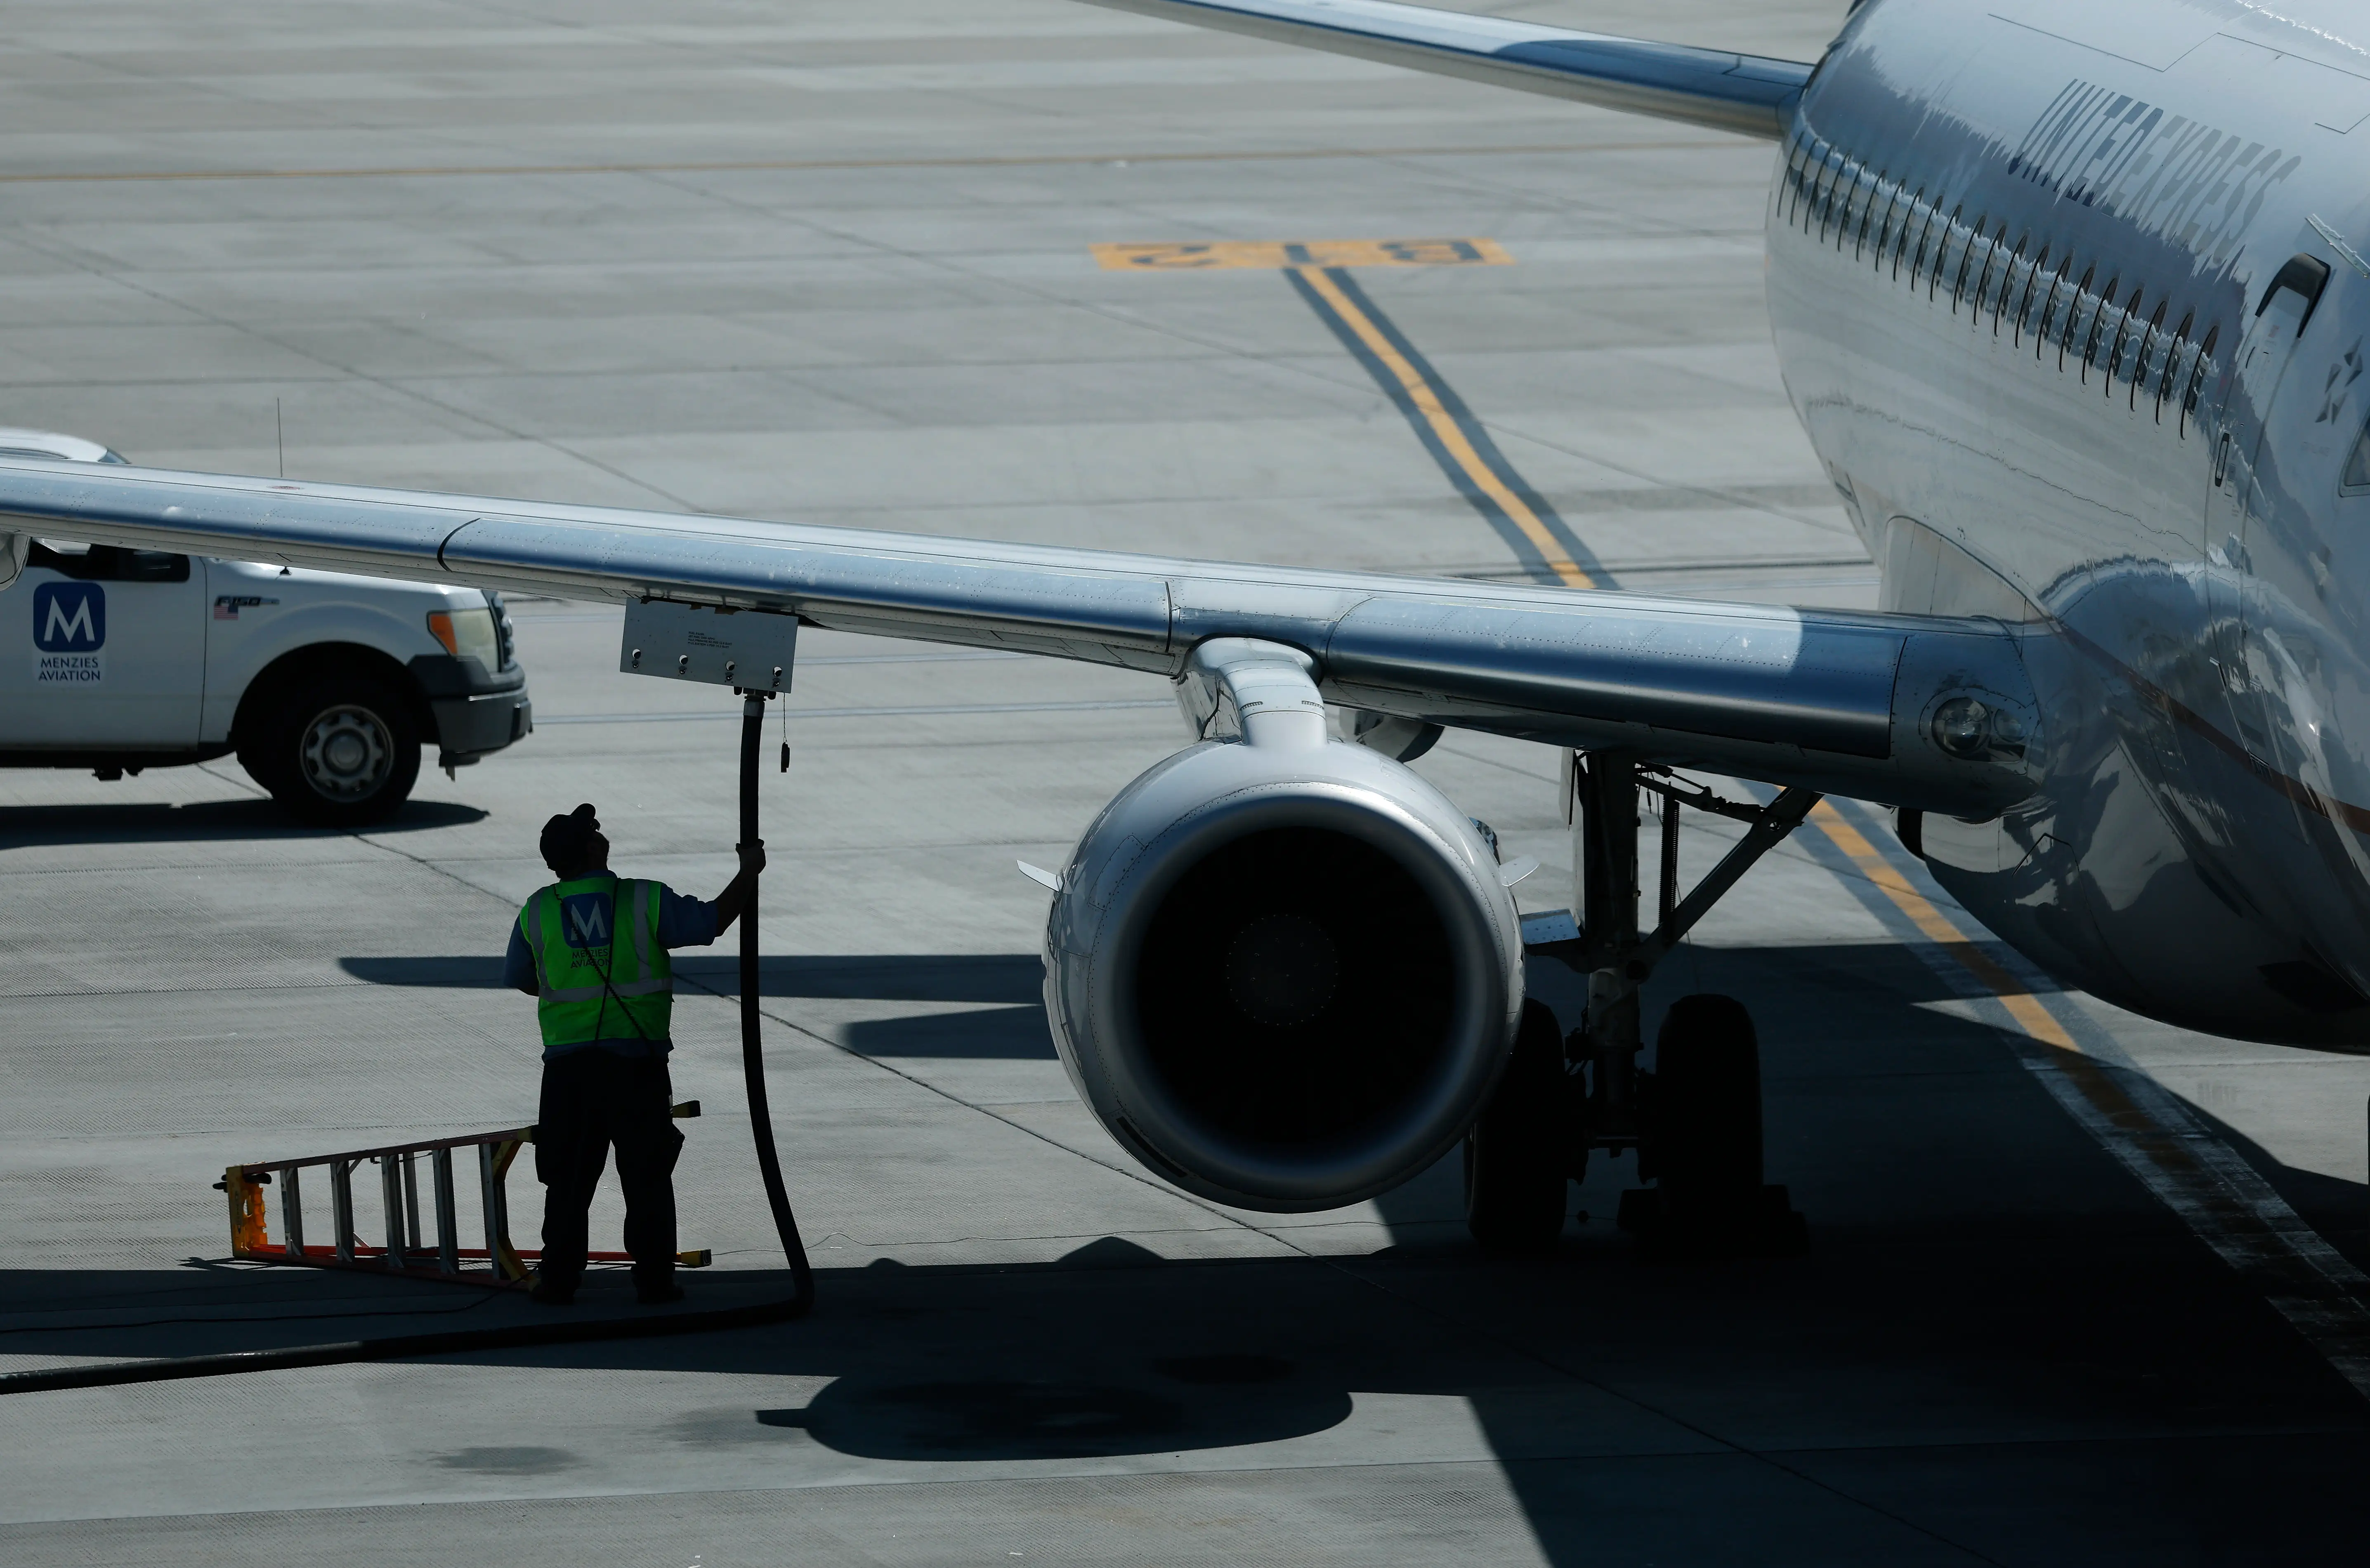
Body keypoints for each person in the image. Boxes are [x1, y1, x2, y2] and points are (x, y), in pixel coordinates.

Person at [504, 802, 763, 1305]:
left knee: (567, 1182)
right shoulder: (643, 899)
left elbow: (520, 978)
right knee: (646, 1178)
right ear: (594, 848)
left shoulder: (537, 909)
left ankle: (558, 1282)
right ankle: (654, 1281)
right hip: (636, 1066)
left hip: (567, 1071)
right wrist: (748, 872)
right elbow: (712, 921)